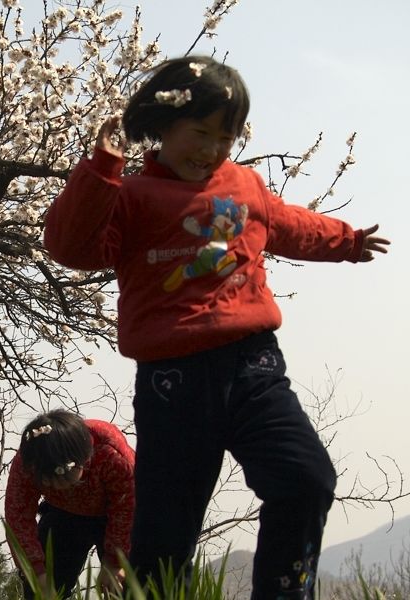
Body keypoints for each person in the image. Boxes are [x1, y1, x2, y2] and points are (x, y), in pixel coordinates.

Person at [43, 55, 390, 599]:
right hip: (172, 382)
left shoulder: (244, 186)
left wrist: (346, 241)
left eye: (224, 138)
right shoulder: (132, 197)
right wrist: (101, 172)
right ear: (161, 125)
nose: (209, 150)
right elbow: (71, 247)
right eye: (199, 133)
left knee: (306, 480)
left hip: (254, 366)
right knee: (164, 537)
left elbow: (290, 224)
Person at [4, 409, 135, 599]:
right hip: (62, 514)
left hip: (115, 516)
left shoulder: (111, 454)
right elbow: (18, 518)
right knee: (39, 589)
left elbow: (127, 509)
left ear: (81, 461)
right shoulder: (28, 462)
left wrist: (115, 562)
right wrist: (37, 574)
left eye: (63, 480)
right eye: (46, 482)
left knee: (127, 586)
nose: (56, 486)